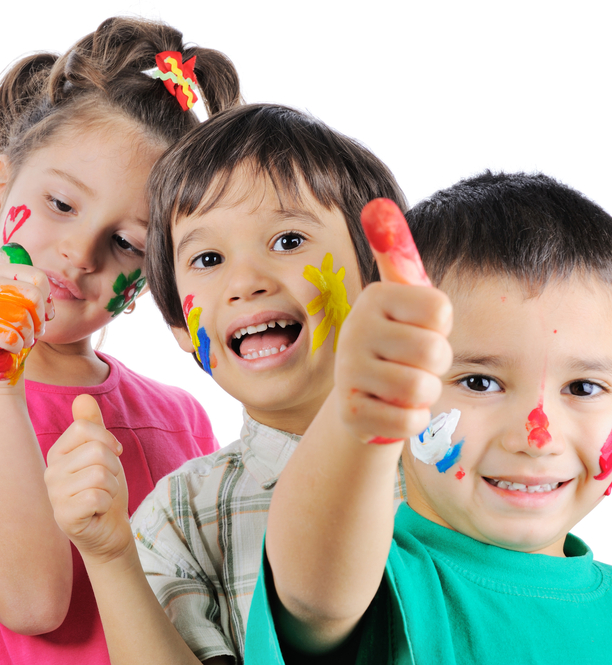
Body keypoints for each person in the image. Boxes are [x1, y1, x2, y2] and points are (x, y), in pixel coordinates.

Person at [0, 17, 240, 665]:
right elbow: (32, 600)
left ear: (155, 272)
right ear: (0, 190)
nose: (78, 253)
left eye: (127, 243)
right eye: (62, 203)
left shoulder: (182, 418)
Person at [245, 171, 612, 663]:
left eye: (583, 387)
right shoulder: (378, 589)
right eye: (479, 382)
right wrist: (363, 412)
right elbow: (313, 595)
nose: (537, 438)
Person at [44, 104, 408, 664]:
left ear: (379, 274)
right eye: (208, 258)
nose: (245, 282)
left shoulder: (455, 457)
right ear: (179, 327)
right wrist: (109, 554)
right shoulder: (179, 515)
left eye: (288, 241)